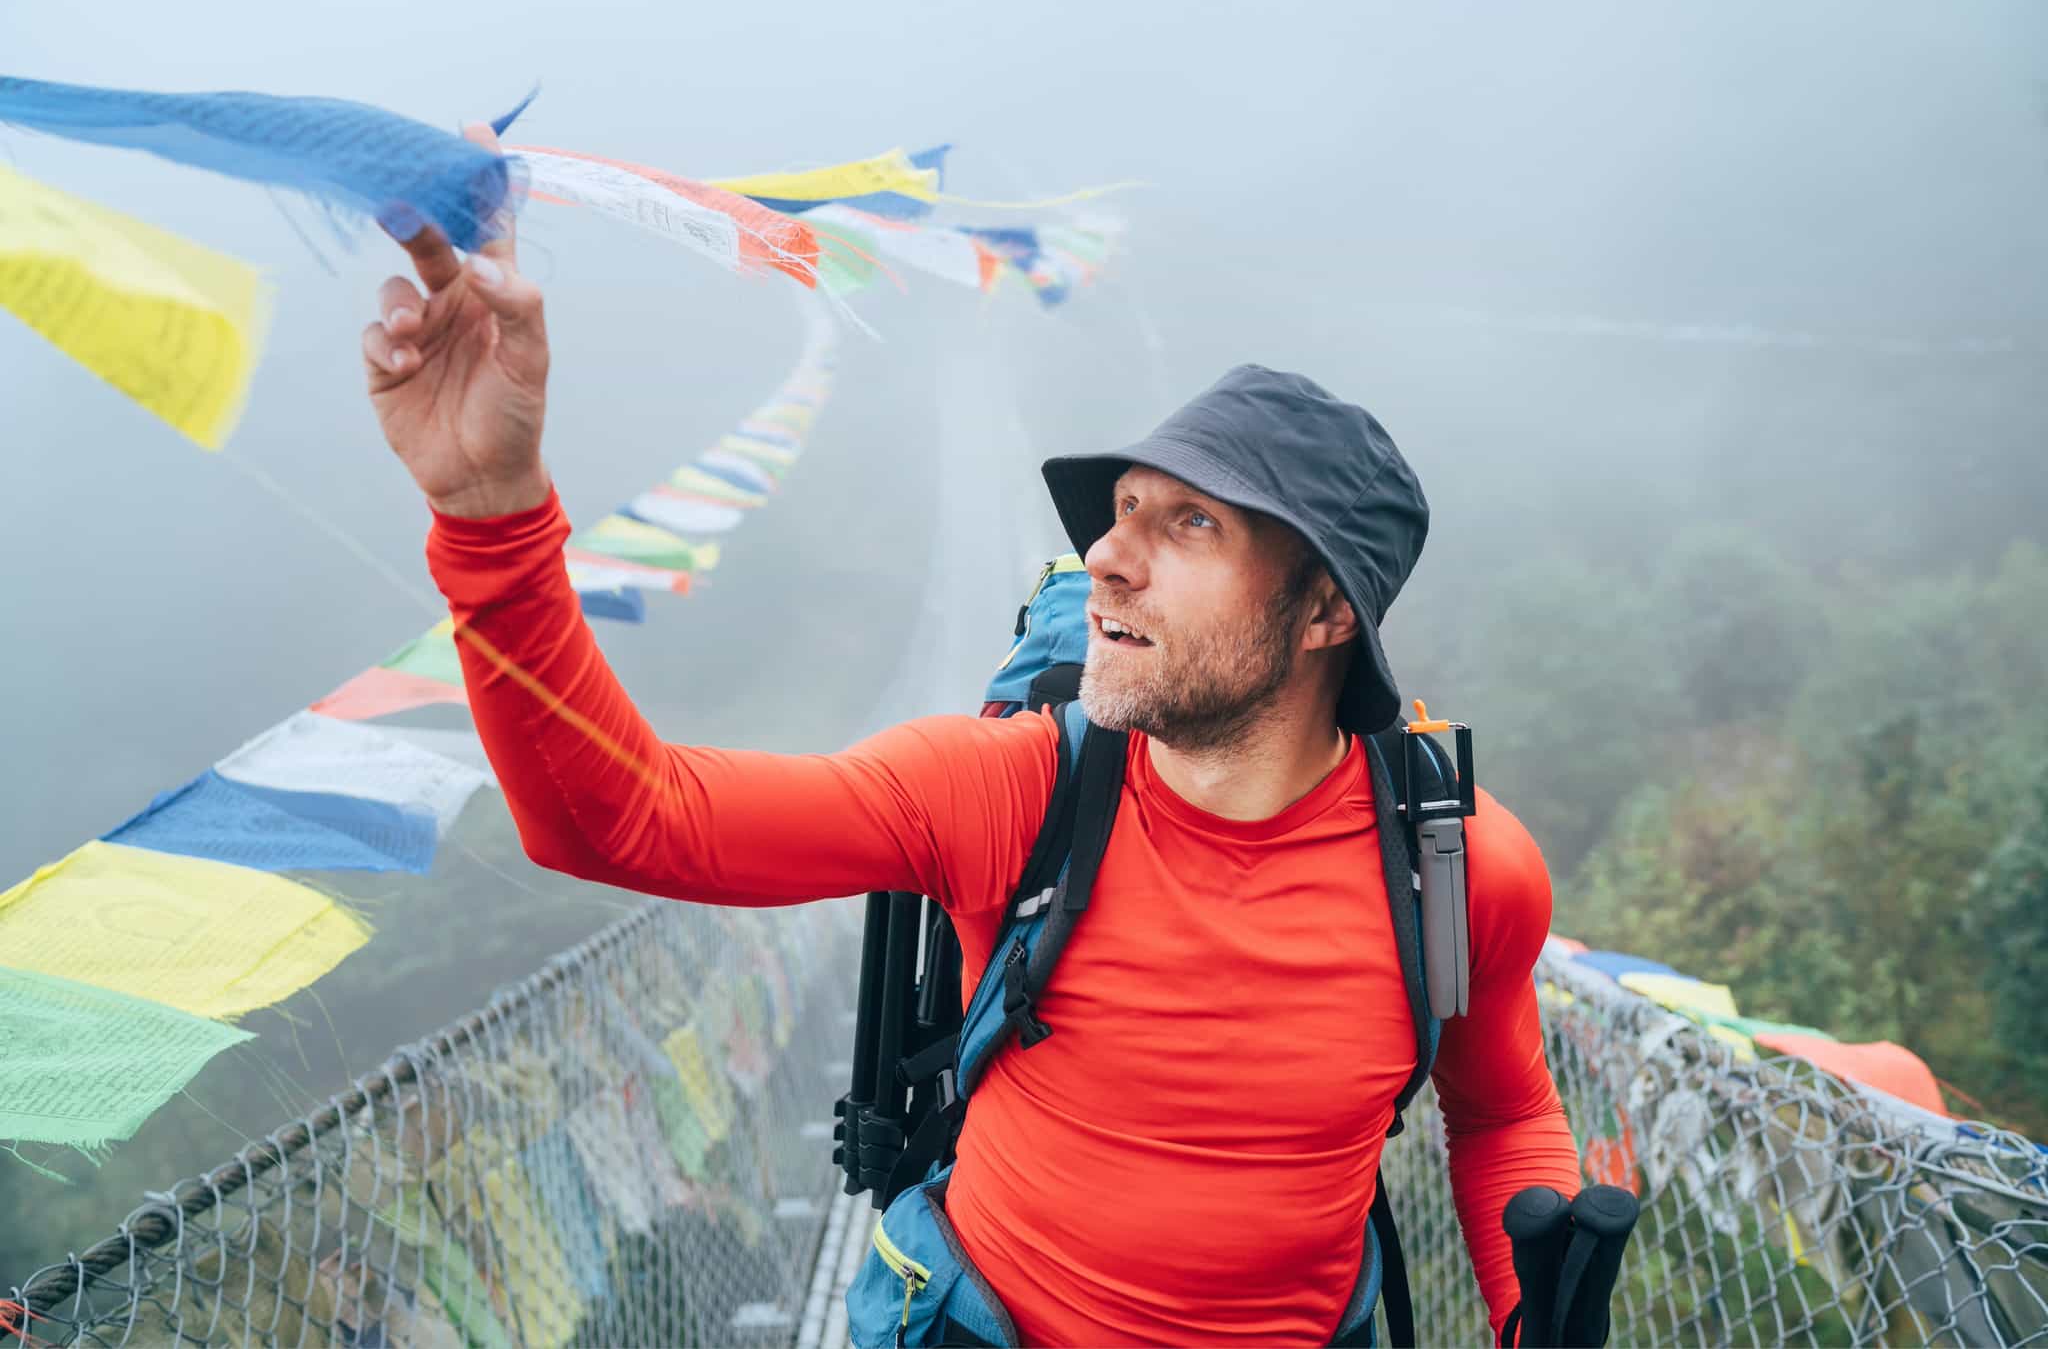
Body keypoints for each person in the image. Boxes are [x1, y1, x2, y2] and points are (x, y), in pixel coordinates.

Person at [360, 124, 1582, 1346]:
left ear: (1325, 611)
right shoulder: (1005, 791)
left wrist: (1543, 1315)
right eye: (1122, 512)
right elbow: (621, 820)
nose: (1105, 557)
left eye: (1191, 526)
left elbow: (1500, 1113)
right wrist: (487, 515)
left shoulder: (1456, 868)